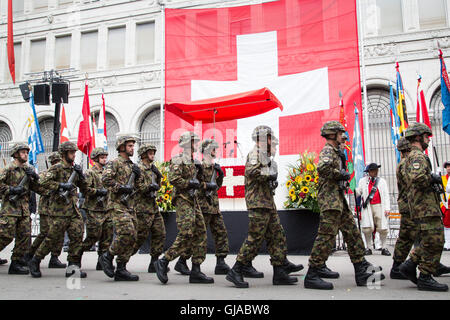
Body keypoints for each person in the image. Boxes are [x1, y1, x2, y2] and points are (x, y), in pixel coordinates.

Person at [304, 121, 385, 290]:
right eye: (340, 133)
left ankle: (361, 268)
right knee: (326, 236)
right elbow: (323, 168)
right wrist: (339, 174)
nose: (343, 136)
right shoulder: (328, 150)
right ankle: (312, 273)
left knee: (352, 233)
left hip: (338, 199)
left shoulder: (337, 151)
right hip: (330, 200)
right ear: (332, 134)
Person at [226, 126, 302, 289]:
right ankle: (237, 269)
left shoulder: (265, 156)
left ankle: (280, 270)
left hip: (267, 202)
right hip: (258, 202)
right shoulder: (255, 154)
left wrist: (271, 178)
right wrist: (269, 173)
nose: (271, 140)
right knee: (255, 237)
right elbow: (252, 171)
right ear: (263, 138)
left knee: (277, 235)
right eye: (269, 137)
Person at [154, 131, 214, 284]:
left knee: (201, 233)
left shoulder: (194, 162)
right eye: (194, 141)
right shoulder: (178, 159)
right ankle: (164, 261)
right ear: (187, 143)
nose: (196, 144)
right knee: (186, 233)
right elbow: (173, 179)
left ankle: (196, 270)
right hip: (182, 199)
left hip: (193, 201)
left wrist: (204, 179)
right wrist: (189, 183)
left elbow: (199, 182)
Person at [390, 138, 450, 280]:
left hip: (410, 204)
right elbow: (414, 182)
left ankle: (430, 263)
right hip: (410, 205)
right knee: (410, 237)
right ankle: (398, 267)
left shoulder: (405, 162)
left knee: (425, 235)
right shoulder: (406, 163)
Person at [28, 141, 88, 278]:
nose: (74, 155)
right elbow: (41, 181)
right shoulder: (57, 168)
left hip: (73, 210)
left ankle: (73, 267)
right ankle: (35, 260)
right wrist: (59, 185)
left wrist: (81, 175)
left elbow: (84, 188)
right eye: (71, 153)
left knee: (77, 237)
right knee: (51, 239)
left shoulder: (74, 169)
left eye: (74, 153)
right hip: (59, 211)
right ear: (64, 154)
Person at [98, 136, 141, 281]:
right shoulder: (114, 162)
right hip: (116, 204)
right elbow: (105, 179)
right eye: (129, 146)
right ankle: (108, 255)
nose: (132, 148)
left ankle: (121, 267)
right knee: (126, 231)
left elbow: (138, 187)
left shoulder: (132, 165)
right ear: (121, 147)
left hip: (130, 205)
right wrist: (121, 187)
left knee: (133, 236)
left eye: (132, 146)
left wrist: (139, 176)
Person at [0, 143, 40, 275]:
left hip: (24, 209)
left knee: (24, 237)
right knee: (5, 236)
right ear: (16, 154)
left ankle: (16, 263)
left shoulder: (28, 169)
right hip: (10, 210)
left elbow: (38, 188)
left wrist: (35, 177)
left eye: (27, 152)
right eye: (23, 152)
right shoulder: (8, 169)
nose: (26, 155)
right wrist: (10, 189)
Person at [24, 151, 66, 269]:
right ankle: (30, 254)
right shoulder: (44, 174)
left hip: (60, 209)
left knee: (59, 234)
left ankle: (54, 257)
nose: (57, 164)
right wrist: (53, 190)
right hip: (46, 208)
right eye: (55, 162)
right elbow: (38, 188)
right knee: (44, 233)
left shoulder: (64, 174)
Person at [132, 143, 168, 273]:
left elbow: (157, 186)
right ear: (143, 155)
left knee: (160, 233)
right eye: (150, 152)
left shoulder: (153, 169)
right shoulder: (138, 169)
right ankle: (121, 259)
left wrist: (158, 177)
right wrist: (148, 187)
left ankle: (154, 262)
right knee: (139, 237)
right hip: (142, 208)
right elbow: (138, 187)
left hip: (153, 207)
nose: (152, 154)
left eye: (153, 152)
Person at [197, 139, 230, 275]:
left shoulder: (213, 166)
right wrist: (205, 185)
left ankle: (220, 263)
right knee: (198, 236)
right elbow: (196, 185)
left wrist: (220, 175)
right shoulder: (200, 167)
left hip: (214, 207)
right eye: (213, 149)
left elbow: (217, 186)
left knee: (221, 233)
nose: (215, 151)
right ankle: (184, 261)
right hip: (204, 207)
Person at [80, 147, 113, 270]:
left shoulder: (107, 173)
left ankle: (102, 262)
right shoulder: (90, 173)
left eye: (105, 157)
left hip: (106, 208)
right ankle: (76, 257)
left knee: (107, 237)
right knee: (93, 236)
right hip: (93, 209)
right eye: (102, 157)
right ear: (96, 159)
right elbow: (85, 189)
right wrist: (98, 192)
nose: (104, 159)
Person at [356, 163, 391, 256]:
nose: (375, 172)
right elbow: (359, 192)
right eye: (373, 170)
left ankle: (384, 247)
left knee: (383, 228)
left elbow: (386, 195)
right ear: (369, 172)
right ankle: (368, 247)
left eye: (376, 170)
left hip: (379, 205)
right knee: (367, 228)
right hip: (368, 207)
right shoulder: (362, 181)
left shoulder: (382, 181)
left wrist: (387, 208)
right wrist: (353, 189)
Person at [441, 161, 450, 250]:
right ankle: (447, 243)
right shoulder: (443, 178)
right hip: (447, 204)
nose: (449, 168)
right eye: (447, 167)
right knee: (446, 224)